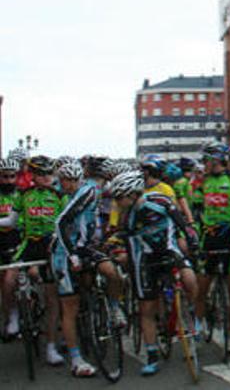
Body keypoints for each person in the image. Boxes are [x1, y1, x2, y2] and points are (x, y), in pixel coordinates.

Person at [110, 171, 198, 376]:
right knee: (146, 309)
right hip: (145, 261)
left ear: (131, 195)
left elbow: (182, 224)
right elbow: (127, 242)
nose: (117, 202)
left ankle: (192, 312)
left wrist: (191, 239)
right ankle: (151, 355)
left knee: (189, 278)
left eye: (119, 197)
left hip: (169, 251)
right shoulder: (128, 217)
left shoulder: (160, 200)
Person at [52, 162, 125, 377]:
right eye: (68, 181)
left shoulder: (88, 191)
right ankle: (76, 359)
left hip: (86, 248)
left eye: (75, 181)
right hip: (64, 252)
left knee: (112, 272)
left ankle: (113, 308)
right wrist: (72, 254)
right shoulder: (75, 195)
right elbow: (60, 223)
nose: (71, 185)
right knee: (70, 307)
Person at [193, 143, 230, 355]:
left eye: (208, 160)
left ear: (218, 160)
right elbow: (196, 211)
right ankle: (198, 323)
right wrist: (194, 235)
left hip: (229, 237)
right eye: (204, 161)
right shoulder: (200, 182)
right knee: (202, 287)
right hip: (208, 237)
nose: (205, 164)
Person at [14, 155, 65, 365]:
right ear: (33, 176)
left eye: (49, 173)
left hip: (50, 247)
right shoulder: (23, 195)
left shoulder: (59, 196)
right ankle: (21, 312)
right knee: (19, 275)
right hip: (29, 245)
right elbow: (12, 220)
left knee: (52, 299)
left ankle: (51, 346)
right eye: (41, 174)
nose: (46, 177)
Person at [0, 158, 22, 336]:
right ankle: (10, 316)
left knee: (10, 281)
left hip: (17, 239)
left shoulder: (22, 195)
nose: (8, 180)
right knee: (4, 285)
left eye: (11, 176)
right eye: (4, 176)